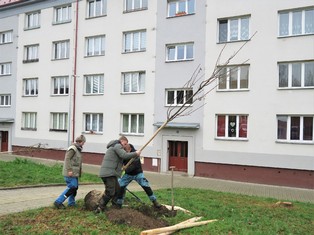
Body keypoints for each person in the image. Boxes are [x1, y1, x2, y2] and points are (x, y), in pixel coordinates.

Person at [95, 136, 141, 213]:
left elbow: (123, 158)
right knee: (110, 191)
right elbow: (124, 155)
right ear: (121, 141)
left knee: (118, 190)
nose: (125, 146)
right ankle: (100, 208)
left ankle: (114, 207)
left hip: (111, 173)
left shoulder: (115, 147)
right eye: (125, 144)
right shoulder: (117, 145)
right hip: (108, 173)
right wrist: (135, 153)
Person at [116, 143, 161, 208]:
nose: (125, 151)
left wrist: (125, 168)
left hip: (138, 173)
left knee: (146, 186)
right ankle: (118, 203)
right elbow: (120, 162)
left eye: (126, 150)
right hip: (128, 175)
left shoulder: (136, 154)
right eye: (124, 150)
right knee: (121, 186)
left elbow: (134, 166)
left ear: (130, 149)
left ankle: (155, 201)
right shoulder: (124, 154)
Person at [54, 134, 86, 209]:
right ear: (81, 142)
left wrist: (80, 170)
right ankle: (58, 202)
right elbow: (67, 159)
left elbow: (77, 162)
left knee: (75, 188)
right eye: (83, 142)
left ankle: (71, 203)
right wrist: (69, 170)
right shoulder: (73, 149)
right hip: (70, 173)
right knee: (72, 187)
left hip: (75, 173)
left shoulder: (78, 149)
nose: (84, 143)